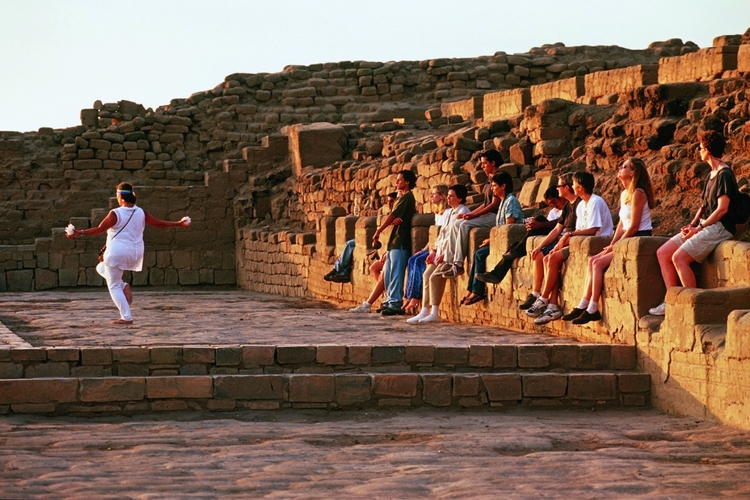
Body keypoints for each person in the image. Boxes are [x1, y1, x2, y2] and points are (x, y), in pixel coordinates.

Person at [66, 182, 191, 325]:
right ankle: (123, 285)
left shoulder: (116, 213)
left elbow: (99, 229)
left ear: (120, 197)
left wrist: (79, 232)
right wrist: (179, 223)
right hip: (135, 253)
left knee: (113, 286)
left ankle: (126, 317)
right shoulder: (141, 212)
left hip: (117, 252)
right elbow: (159, 223)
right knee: (101, 268)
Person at [649, 130, 738, 316]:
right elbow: (704, 206)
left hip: (720, 227)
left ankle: (693, 309)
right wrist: (692, 224)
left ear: (708, 149)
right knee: (663, 253)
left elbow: (722, 209)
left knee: (679, 258)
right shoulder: (712, 174)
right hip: (705, 224)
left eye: (700, 148)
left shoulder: (724, 174)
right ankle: (671, 301)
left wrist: (699, 228)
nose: (698, 151)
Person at [564, 157, 654, 325]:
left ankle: (592, 308)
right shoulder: (624, 194)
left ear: (632, 172)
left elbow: (634, 226)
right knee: (592, 260)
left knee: (597, 263)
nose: (620, 168)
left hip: (638, 237)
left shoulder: (638, 193)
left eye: (624, 166)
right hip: (627, 237)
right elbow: (621, 223)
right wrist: (613, 243)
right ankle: (584, 304)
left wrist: (615, 246)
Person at [526, 171, 613, 325]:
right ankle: (551, 304)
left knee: (552, 258)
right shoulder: (581, 205)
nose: (572, 187)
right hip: (580, 242)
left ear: (579, 187)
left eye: (573, 184)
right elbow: (571, 231)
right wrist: (560, 240)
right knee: (547, 258)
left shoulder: (595, 202)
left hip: (597, 242)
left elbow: (592, 231)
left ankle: (544, 299)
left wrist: (568, 236)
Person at [476, 185, 565, 286]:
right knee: (514, 245)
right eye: (550, 204)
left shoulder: (569, 208)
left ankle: (514, 253)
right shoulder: (554, 211)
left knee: (540, 219)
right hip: (550, 235)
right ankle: (497, 274)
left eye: (553, 202)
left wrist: (540, 224)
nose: (553, 206)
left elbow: (562, 223)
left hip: (561, 236)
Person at [407, 184, 470, 324]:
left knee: (435, 277)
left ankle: (434, 312)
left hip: (450, 254)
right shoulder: (447, 213)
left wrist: (444, 254)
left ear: (459, 198)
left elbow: (453, 237)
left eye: (452, 195)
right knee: (426, 274)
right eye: (448, 195)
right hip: (440, 251)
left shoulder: (463, 211)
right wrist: (434, 251)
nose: (448, 197)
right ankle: (424, 310)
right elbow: (442, 235)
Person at [436, 149, 503, 278]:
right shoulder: (489, 180)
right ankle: (449, 261)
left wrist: (473, 216)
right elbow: (485, 203)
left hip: (495, 216)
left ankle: (458, 264)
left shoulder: (498, 178)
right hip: (488, 214)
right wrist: (470, 214)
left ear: (493, 163)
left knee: (464, 225)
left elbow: (494, 204)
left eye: (484, 163)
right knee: (456, 223)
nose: (482, 166)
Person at [461, 172, 524, 306]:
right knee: (477, 253)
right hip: (499, 240)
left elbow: (509, 226)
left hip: (510, 242)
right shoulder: (503, 201)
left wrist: (491, 240)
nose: (493, 188)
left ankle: (477, 290)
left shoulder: (511, 201)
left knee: (479, 254)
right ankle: (471, 289)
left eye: (495, 186)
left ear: (503, 186)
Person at [324, 192, 398, 284]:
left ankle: (339, 270)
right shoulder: (389, 212)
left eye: (391, 201)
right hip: (376, 239)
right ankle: (341, 271)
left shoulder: (396, 214)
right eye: (388, 201)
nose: (389, 204)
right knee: (349, 244)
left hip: (385, 244)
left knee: (351, 245)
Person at [373, 170, 417, 316]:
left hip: (401, 241)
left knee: (396, 272)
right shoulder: (401, 197)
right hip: (394, 240)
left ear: (407, 182)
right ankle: (389, 300)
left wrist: (379, 230)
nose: (397, 182)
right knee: (389, 273)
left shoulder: (407, 197)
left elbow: (393, 214)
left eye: (399, 180)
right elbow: (394, 215)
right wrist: (393, 219)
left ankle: (395, 303)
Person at [403, 185, 449, 314]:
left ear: (441, 196)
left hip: (439, 248)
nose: (431, 196)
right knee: (412, 259)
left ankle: (416, 296)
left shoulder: (447, 213)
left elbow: (442, 234)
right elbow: (434, 236)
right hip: (433, 246)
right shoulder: (437, 213)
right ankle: (409, 295)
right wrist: (424, 248)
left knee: (419, 262)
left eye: (434, 194)